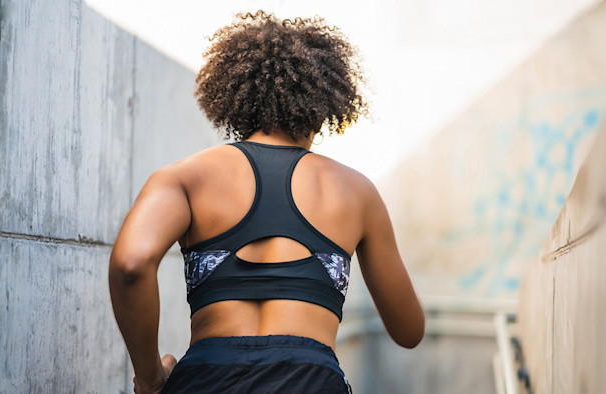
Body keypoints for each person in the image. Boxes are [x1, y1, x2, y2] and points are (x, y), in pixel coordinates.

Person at [109, 10, 424, 394]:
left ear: (235, 100)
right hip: (311, 383)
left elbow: (131, 263)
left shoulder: (183, 177)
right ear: (324, 106)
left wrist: (150, 378)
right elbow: (409, 332)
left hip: (206, 380)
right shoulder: (357, 191)